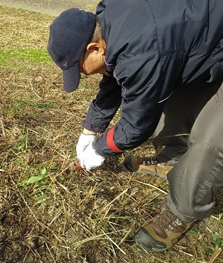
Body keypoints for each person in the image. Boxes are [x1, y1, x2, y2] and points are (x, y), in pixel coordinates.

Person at [47, 0, 223, 252]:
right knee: (170, 106)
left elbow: (137, 123)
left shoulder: (144, 49)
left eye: (79, 68)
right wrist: (91, 128)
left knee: (211, 142)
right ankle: (173, 160)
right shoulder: (111, 22)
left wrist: (100, 149)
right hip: (206, 42)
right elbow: (117, 75)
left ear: (94, 47)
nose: (84, 75)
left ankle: (182, 212)